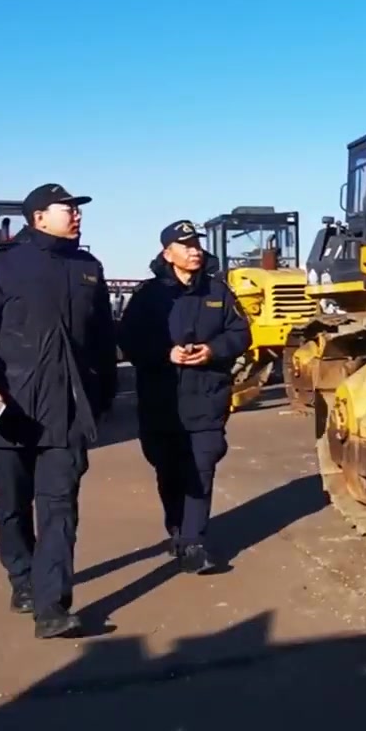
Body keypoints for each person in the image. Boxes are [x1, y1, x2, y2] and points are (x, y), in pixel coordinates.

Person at [0, 182, 118, 639]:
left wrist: (104, 396)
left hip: (67, 412)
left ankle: (52, 606)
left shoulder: (88, 269)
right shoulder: (1, 267)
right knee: (13, 504)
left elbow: (102, 340)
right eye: (69, 208)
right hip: (11, 408)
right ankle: (21, 578)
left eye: (78, 209)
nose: (77, 215)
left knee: (60, 507)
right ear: (39, 217)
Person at [116, 219, 251, 573]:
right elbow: (127, 341)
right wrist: (165, 354)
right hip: (162, 400)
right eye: (185, 244)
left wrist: (212, 350)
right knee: (168, 469)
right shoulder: (149, 295)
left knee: (202, 466)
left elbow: (241, 335)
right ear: (168, 253)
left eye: (197, 244)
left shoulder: (218, 292)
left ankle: (194, 542)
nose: (194, 250)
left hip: (206, 396)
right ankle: (177, 529)